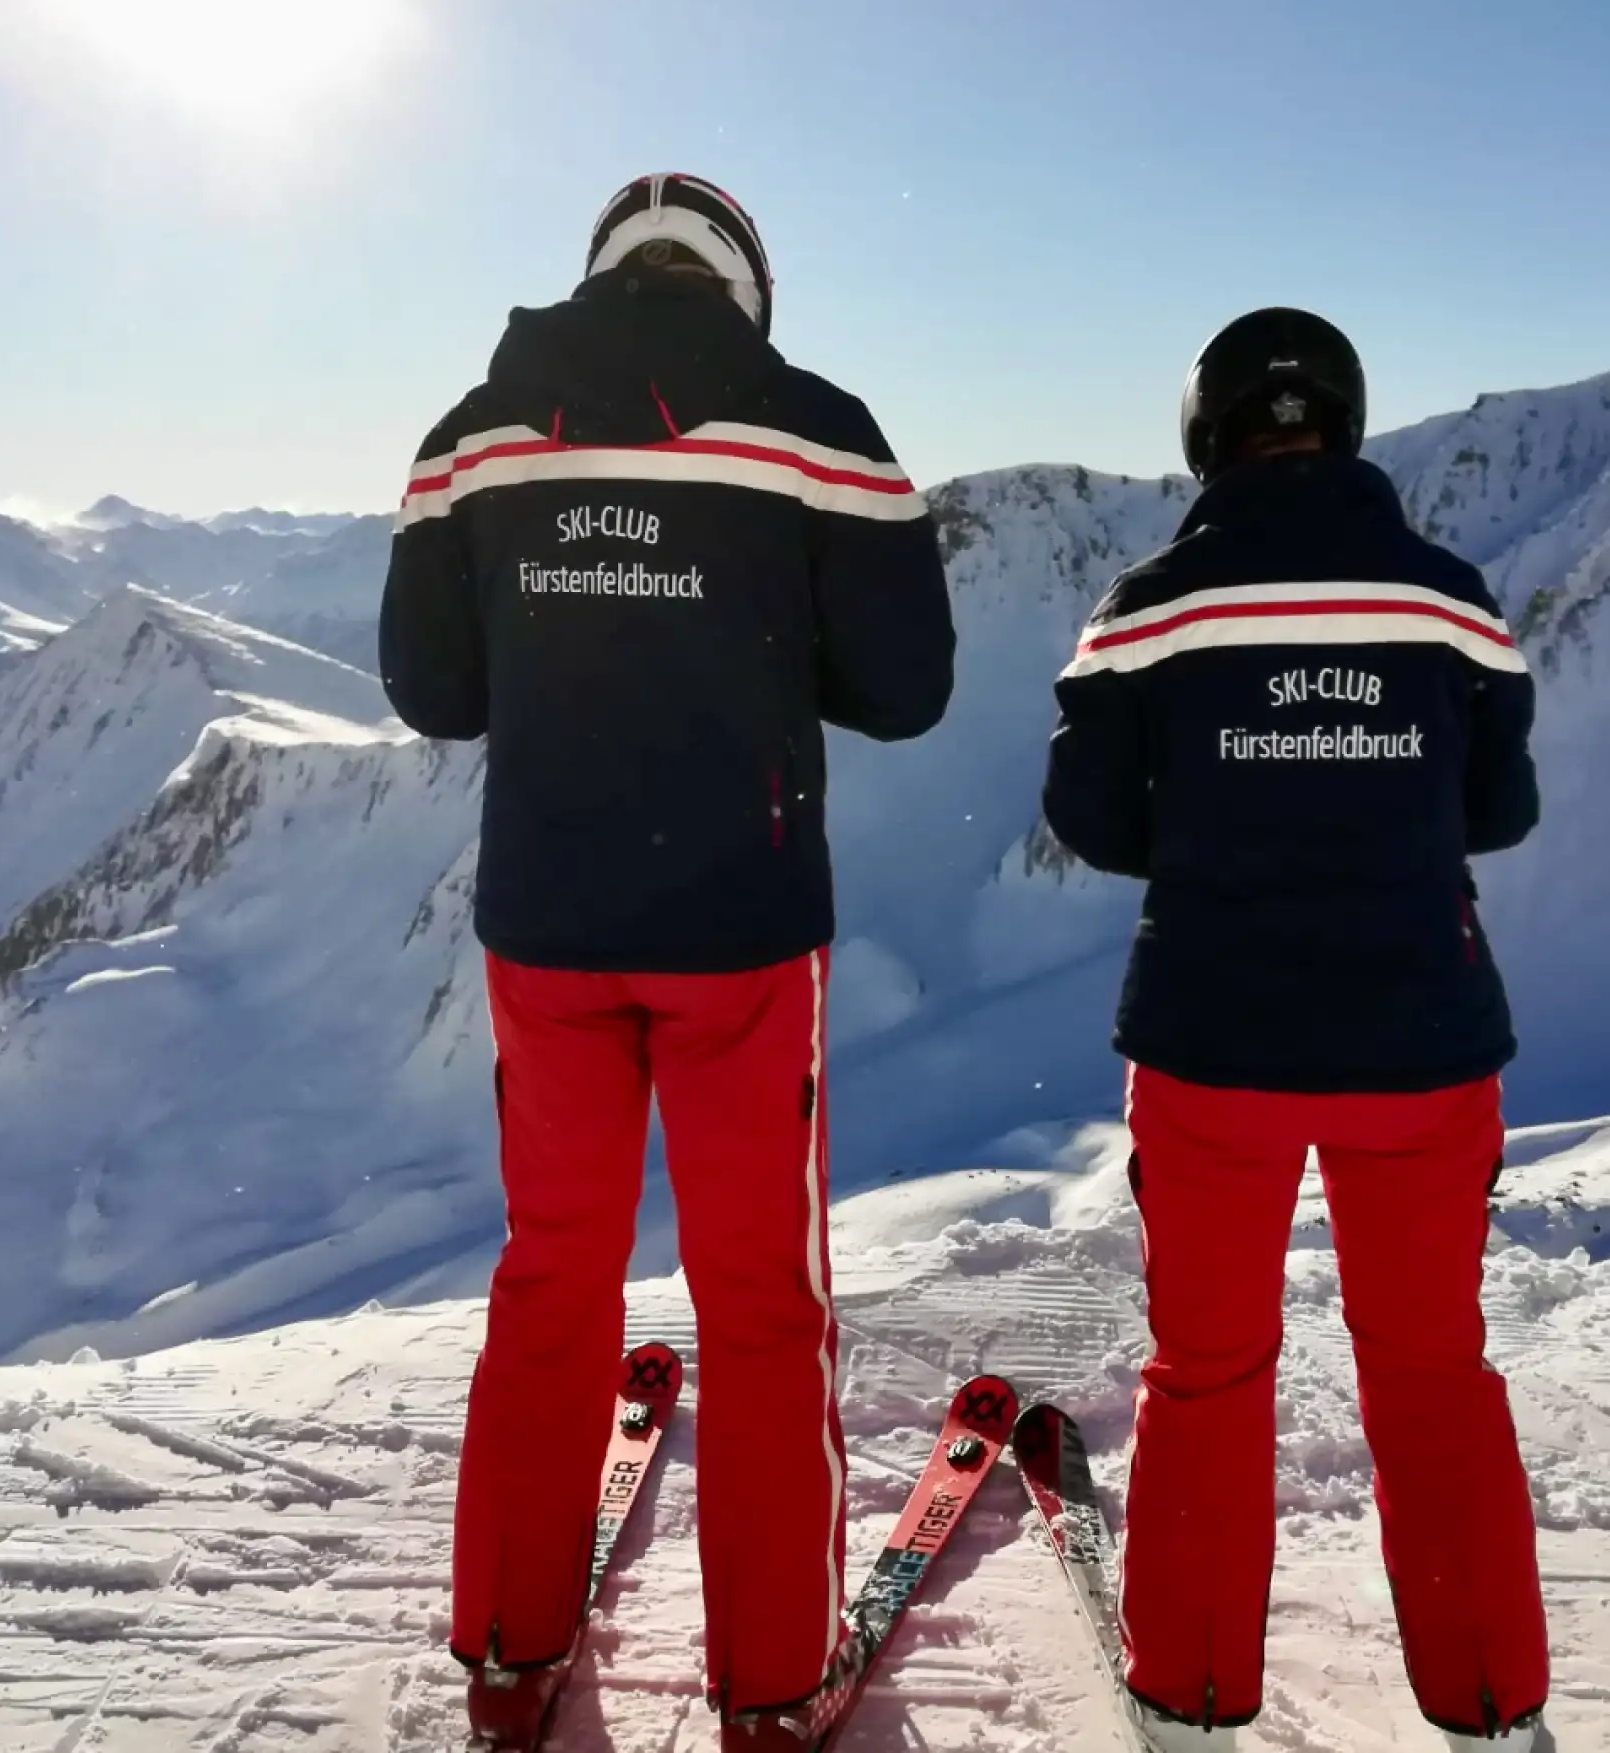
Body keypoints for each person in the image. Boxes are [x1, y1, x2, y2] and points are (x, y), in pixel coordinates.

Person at [378, 173, 956, 1748]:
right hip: (741, 931)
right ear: (744, 288)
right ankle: (771, 1683)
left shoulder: (473, 435)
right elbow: (908, 690)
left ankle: (509, 1654)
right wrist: (743, 638)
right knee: (760, 1302)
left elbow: (435, 692)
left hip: (548, 924)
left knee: (551, 1278)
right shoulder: (817, 430)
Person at [1042, 309, 1550, 1750]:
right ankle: (1488, 1706)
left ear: (1207, 433)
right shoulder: (1447, 597)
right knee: (1432, 1372)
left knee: (1208, 1372)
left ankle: (1191, 1702)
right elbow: (1502, 808)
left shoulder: (1150, 605)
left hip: (1216, 1035)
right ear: (1346, 418)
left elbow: (1090, 819)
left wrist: (1229, 828)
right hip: (1422, 1034)